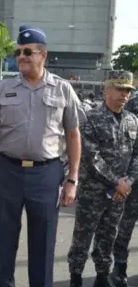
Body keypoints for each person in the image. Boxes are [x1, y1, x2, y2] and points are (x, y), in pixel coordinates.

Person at [0, 24, 83, 287]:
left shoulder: (62, 89)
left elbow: (73, 135)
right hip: (7, 171)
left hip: (46, 174)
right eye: (18, 52)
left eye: (27, 52)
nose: (21, 56)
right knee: (5, 240)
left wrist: (72, 179)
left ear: (43, 55)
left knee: (43, 244)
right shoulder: (3, 88)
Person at [67, 70, 138, 287]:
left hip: (120, 193)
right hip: (94, 191)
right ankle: (76, 277)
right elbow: (91, 157)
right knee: (83, 236)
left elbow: (137, 154)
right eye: (119, 89)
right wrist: (118, 182)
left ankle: (101, 276)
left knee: (109, 235)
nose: (124, 95)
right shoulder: (92, 119)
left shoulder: (132, 120)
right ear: (106, 89)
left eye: (127, 90)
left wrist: (130, 181)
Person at [111, 91, 138, 287]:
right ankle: (119, 268)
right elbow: (124, 141)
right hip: (133, 178)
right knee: (125, 226)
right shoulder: (134, 103)